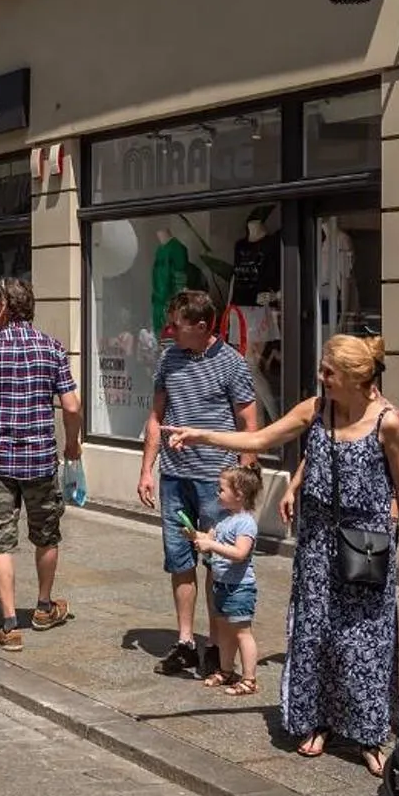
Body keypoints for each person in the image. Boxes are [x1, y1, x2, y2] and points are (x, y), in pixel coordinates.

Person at [167, 335, 399, 775]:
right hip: (318, 539)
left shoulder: (388, 422)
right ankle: (316, 719)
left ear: (357, 378)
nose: (321, 378)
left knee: (363, 638)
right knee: (315, 629)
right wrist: (201, 435)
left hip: (366, 539)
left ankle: (368, 733)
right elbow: (262, 436)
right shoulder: (316, 409)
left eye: (328, 373)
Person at [0, 277, 82, 651]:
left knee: (0, 540)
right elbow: (72, 406)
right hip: (40, 458)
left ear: (5, 307)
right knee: (47, 534)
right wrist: (72, 444)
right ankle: (43, 606)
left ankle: (10, 625)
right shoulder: (52, 347)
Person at [137, 289, 261, 680]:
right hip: (175, 476)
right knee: (180, 560)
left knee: (218, 562)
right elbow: (156, 416)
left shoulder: (231, 364)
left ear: (203, 326)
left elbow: (249, 425)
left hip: (215, 480)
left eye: (179, 325)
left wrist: (243, 480)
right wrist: (147, 468)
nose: (171, 331)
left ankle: (216, 646)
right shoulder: (169, 358)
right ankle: (187, 642)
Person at [190, 464, 264, 692]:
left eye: (221, 490)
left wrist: (211, 544)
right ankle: (226, 670)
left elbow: (240, 553)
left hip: (239, 588)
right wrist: (196, 536)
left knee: (242, 633)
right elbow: (210, 540)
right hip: (221, 586)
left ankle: (250, 679)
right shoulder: (224, 521)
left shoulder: (245, 523)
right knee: (224, 632)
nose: (217, 494)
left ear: (239, 495)